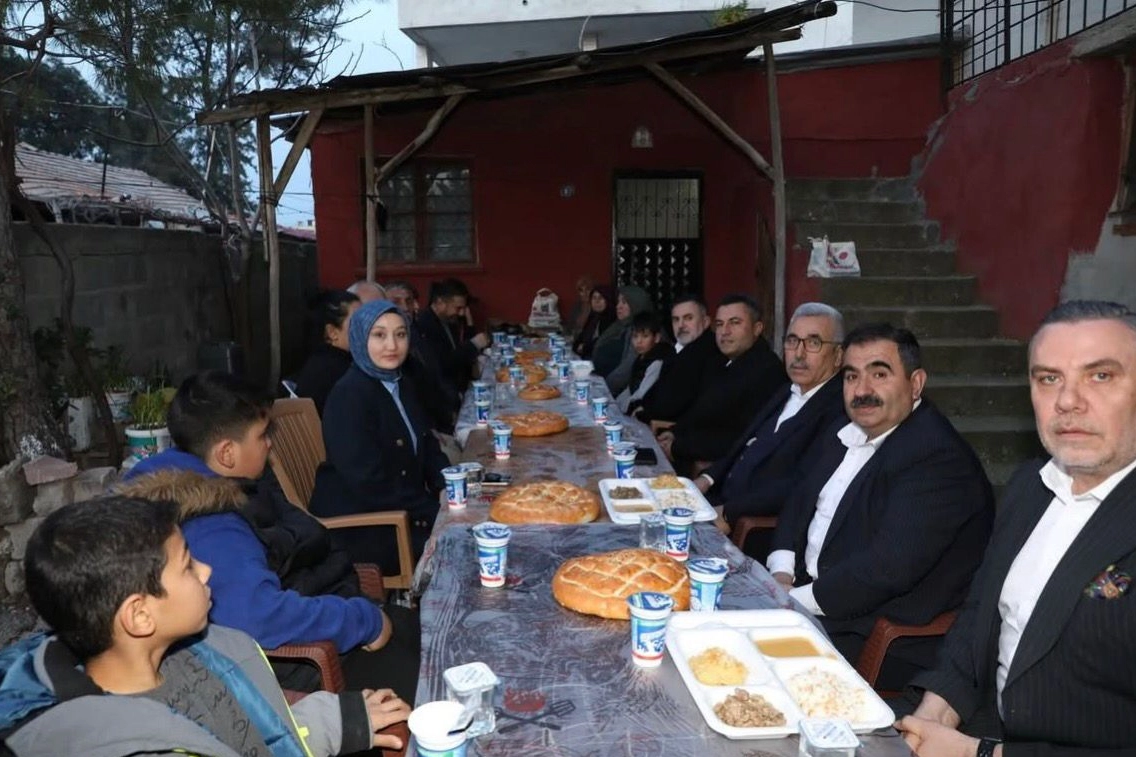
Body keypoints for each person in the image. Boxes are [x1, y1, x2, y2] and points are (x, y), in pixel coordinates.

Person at [898, 300, 1136, 757]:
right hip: (981, 726)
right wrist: (933, 714)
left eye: (1100, 376)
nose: (1067, 401)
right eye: (1049, 378)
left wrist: (976, 753)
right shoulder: (1031, 485)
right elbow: (979, 618)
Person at [0, 495, 410, 757]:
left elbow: (258, 735)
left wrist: (337, 721)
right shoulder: (121, 746)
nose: (207, 570)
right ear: (140, 616)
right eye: (187, 566)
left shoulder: (204, 653)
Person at [121, 371, 420, 704]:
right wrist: (361, 622)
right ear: (226, 453)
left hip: (329, 613)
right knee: (433, 681)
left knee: (435, 634)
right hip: (311, 663)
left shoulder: (225, 481)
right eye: (262, 435)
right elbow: (257, 615)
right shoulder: (211, 524)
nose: (269, 444)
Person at [768, 323, 994, 690]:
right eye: (851, 376)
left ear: (915, 383)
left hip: (879, 635)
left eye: (879, 374)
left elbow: (886, 568)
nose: (862, 391)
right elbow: (798, 499)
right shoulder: (847, 431)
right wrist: (781, 570)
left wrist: (792, 602)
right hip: (813, 597)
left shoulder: (937, 459)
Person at [695, 303, 848, 559]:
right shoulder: (787, 389)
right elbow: (745, 443)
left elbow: (803, 483)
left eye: (813, 343)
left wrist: (729, 512)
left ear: (838, 355)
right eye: (792, 341)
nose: (799, 353)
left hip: (755, 529)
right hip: (718, 500)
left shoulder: (839, 409)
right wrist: (707, 478)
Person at [311, 299, 449, 572]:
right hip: (366, 526)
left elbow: (427, 445)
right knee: (462, 546)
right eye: (379, 335)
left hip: (401, 509)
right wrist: (433, 510)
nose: (392, 345)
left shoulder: (400, 384)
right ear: (360, 339)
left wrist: (446, 486)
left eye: (400, 334)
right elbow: (368, 482)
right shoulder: (349, 395)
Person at [657, 295, 787, 472]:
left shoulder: (766, 372)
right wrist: (674, 432)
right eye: (719, 324)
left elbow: (741, 438)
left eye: (734, 323)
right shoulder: (721, 362)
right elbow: (701, 412)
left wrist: (677, 447)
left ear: (757, 328)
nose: (724, 331)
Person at [636, 295, 720, 423]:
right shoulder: (679, 350)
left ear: (705, 322)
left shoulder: (704, 352)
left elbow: (672, 405)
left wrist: (642, 413)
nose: (681, 325)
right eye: (676, 319)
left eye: (688, 318)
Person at [289, 289, 360, 415]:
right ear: (332, 332)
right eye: (358, 322)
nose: (368, 327)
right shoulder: (341, 372)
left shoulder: (318, 362)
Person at [415, 278, 488, 390]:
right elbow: (443, 365)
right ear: (440, 303)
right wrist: (473, 345)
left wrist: (469, 322)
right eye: (458, 308)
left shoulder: (448, 321)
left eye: (464, 308)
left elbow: (460, 351)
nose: (462, 313)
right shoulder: (425, 325)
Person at [615, 310, 673, 415]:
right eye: (635, 336)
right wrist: (615, 404)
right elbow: (631, 387)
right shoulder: (641, 358)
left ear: (656, 338)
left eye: (645, 336)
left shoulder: (657, 362)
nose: (639, 341)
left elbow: (641, 394)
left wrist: (620, 409)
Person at [592, 285, 653, 382]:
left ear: (636, 304)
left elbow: (627, 369)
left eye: (624, 302)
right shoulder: (619, 326)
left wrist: (605, 386)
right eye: (618, 302)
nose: (618, 306)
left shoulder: (640, 331)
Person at [572, 285, 617, 360]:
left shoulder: (612, 319)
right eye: (594, 298)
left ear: (608, 300)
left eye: (601, 298)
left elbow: (602, 343)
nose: (597, 301)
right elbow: (581, 337)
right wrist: (577, 346)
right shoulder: (593, 316)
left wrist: (584, 348)